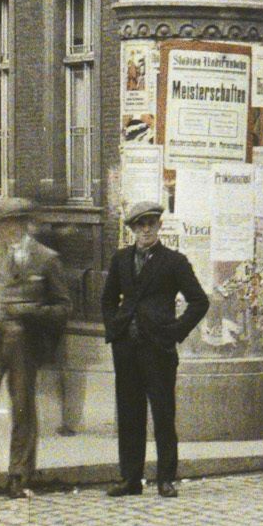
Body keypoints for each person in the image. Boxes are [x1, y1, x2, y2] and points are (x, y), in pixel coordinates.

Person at [100, 199, 209, 498]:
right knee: (129, 413)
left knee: (163, 413)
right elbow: (108, 299)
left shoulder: (174, 261)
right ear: (132, 229)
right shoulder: (121, 260)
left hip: (157, 348)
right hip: (126, 350)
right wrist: (115, 329)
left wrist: (174, 332)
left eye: (151, 223)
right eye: (140, 224)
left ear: (160, 226)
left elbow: (199, 301)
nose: (146, 229)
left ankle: (165, 478)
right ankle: (131, 478)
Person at [0, 196, 71, 498]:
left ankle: (18, 475)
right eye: (2, 222)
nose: (6, 228)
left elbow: (64, 306)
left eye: (13, 221)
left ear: (25, 223)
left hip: (25, 346)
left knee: (23, 409)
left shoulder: (46, 258)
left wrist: (32, 312)